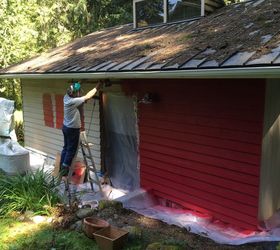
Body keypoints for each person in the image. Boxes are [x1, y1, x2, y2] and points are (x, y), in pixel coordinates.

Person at [59, 81, 101, 176]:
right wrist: (97, 87)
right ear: (74, 93)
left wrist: (80, 81)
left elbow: (74, 87)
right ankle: (65, 170)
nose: (79, 93)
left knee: (66, 148)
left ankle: (61, 167)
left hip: (65, 127)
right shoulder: (73, 101)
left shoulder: (66, 97)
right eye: (78, 92)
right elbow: (87, 96)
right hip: (72, 129)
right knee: (71, 150)